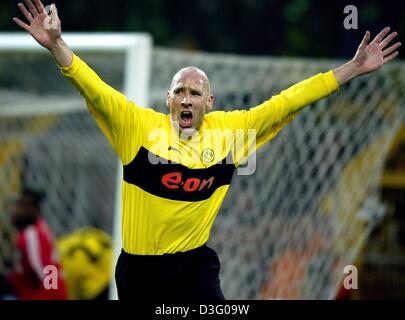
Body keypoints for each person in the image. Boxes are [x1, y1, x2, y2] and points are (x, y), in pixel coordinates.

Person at [13, 0, 400, 300]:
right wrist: (57, 45)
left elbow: (289, 101)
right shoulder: (137, 127)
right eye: (179, 91)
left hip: (193, 266)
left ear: (209, 102)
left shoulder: (232, 131)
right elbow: (92, 86)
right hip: (140, 270)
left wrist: (350, 69)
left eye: (194, 92)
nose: (186, 98)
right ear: (167, 98)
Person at [6, 187, 67, 300]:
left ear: (30, 209)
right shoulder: (38, 228)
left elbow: (46, 272)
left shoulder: (31, 235)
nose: (15, 211)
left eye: (19, 206)